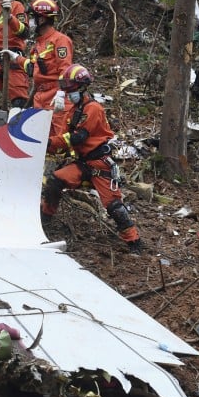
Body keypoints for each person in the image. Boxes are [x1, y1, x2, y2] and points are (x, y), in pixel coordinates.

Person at [41, 64, 142, 254]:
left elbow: (78, 138)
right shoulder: (72, 111)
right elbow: (64, 137)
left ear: (81, 88)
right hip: (82, 164)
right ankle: (45, 219)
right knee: (55, 181)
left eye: (70, 90)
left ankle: (134, 242)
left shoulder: (93, 109)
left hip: (99, 164)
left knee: (114, 207)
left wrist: (49, 143)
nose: (68, 94)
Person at [22, 0, 72, 112]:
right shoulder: (39, 43)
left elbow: (65, 69)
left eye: (32, 17)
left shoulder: (60, 40)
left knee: (56, 130)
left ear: (42, 19)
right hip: (40, 96)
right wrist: (15, 58)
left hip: (55, 97)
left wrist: (61, 93)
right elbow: (34, 66)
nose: (30, 21)